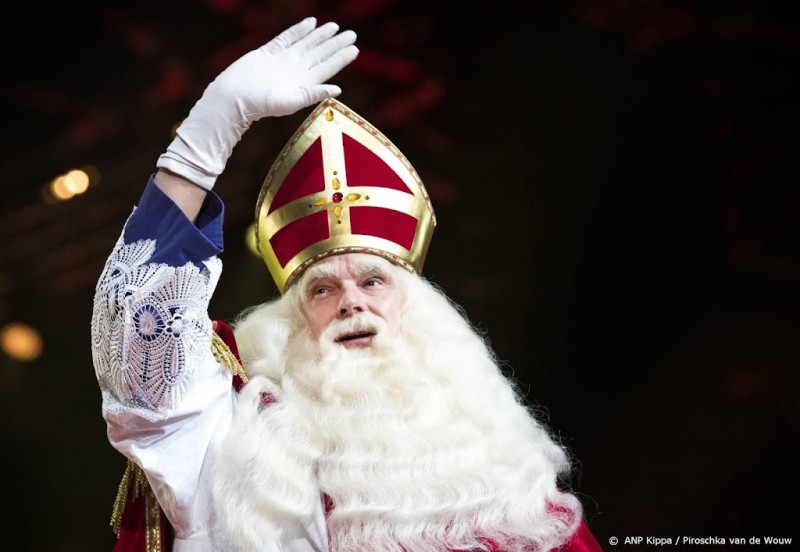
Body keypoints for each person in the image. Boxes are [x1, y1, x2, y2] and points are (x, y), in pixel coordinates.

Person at [91, 16, 603, 552]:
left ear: (416, 309)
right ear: (291, 324)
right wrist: (208, 132)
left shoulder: (503, 471)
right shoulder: (243, 449)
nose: (350, 302)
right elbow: (139, 339)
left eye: (373, 281)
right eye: (321, 289)